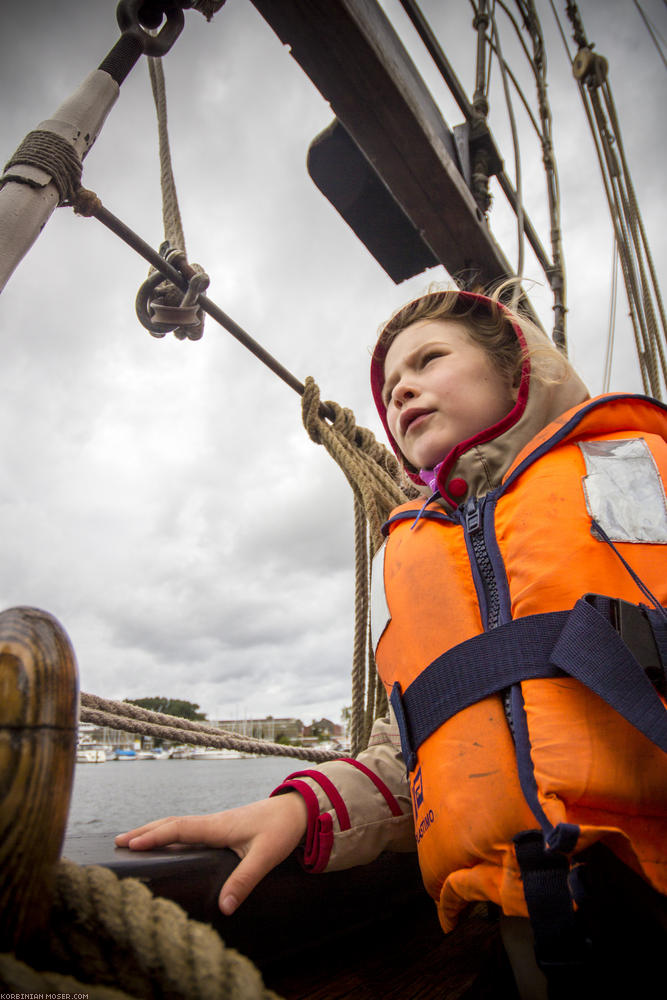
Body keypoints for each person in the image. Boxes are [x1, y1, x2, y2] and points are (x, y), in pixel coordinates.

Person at [116, 287, 667, 999]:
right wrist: (301, 808)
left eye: (428, 359)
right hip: (535, 941)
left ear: (517, 369)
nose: (400, 386)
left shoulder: (641, 470)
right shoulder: (412, 557)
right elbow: (414, 756)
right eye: (387, 385)